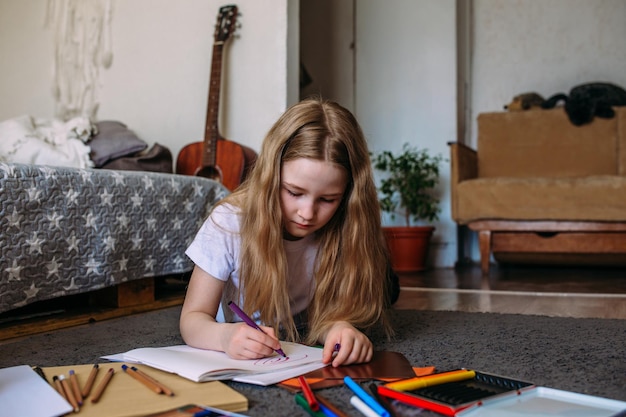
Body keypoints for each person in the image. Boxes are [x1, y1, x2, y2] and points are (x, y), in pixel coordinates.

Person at [180, 98, 398, 367]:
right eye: (294, 192)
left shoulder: (347, 227)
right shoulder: (229, 221)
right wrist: (224, 337)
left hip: (301, 332)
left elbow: (331, 316)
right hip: (242, 345)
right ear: (270, 178)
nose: (307, 213)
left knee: (386, 288)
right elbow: (192, 319)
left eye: (328, 199)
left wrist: (342, 328)